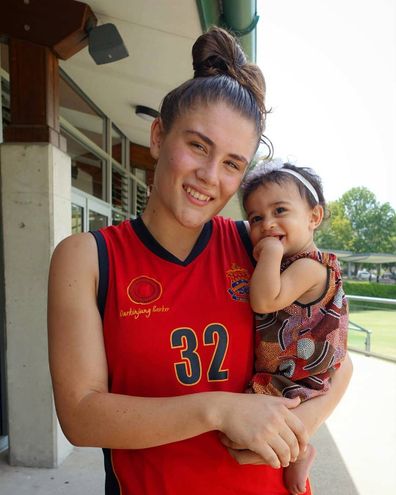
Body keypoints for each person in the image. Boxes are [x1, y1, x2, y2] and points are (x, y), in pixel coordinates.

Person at [48, 27, 352, 495]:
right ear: (157, 136)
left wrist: (294, 432)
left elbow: (337, 357)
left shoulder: (257, 250)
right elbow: (80, 416)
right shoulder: (87, 257)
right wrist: (221, 409)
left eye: (233, 163)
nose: (210, 176)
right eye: (198, 146)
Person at [241, 160, 349, 494]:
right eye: (256, 218)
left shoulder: (308, 267)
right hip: (297, 373)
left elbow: (264, 300)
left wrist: (270, 251)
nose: (268, 223)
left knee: (242, 434)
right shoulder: (300, 263)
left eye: (280, 210)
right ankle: (300, 450)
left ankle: (300, 451)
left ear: (314, 217)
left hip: (294, 378)